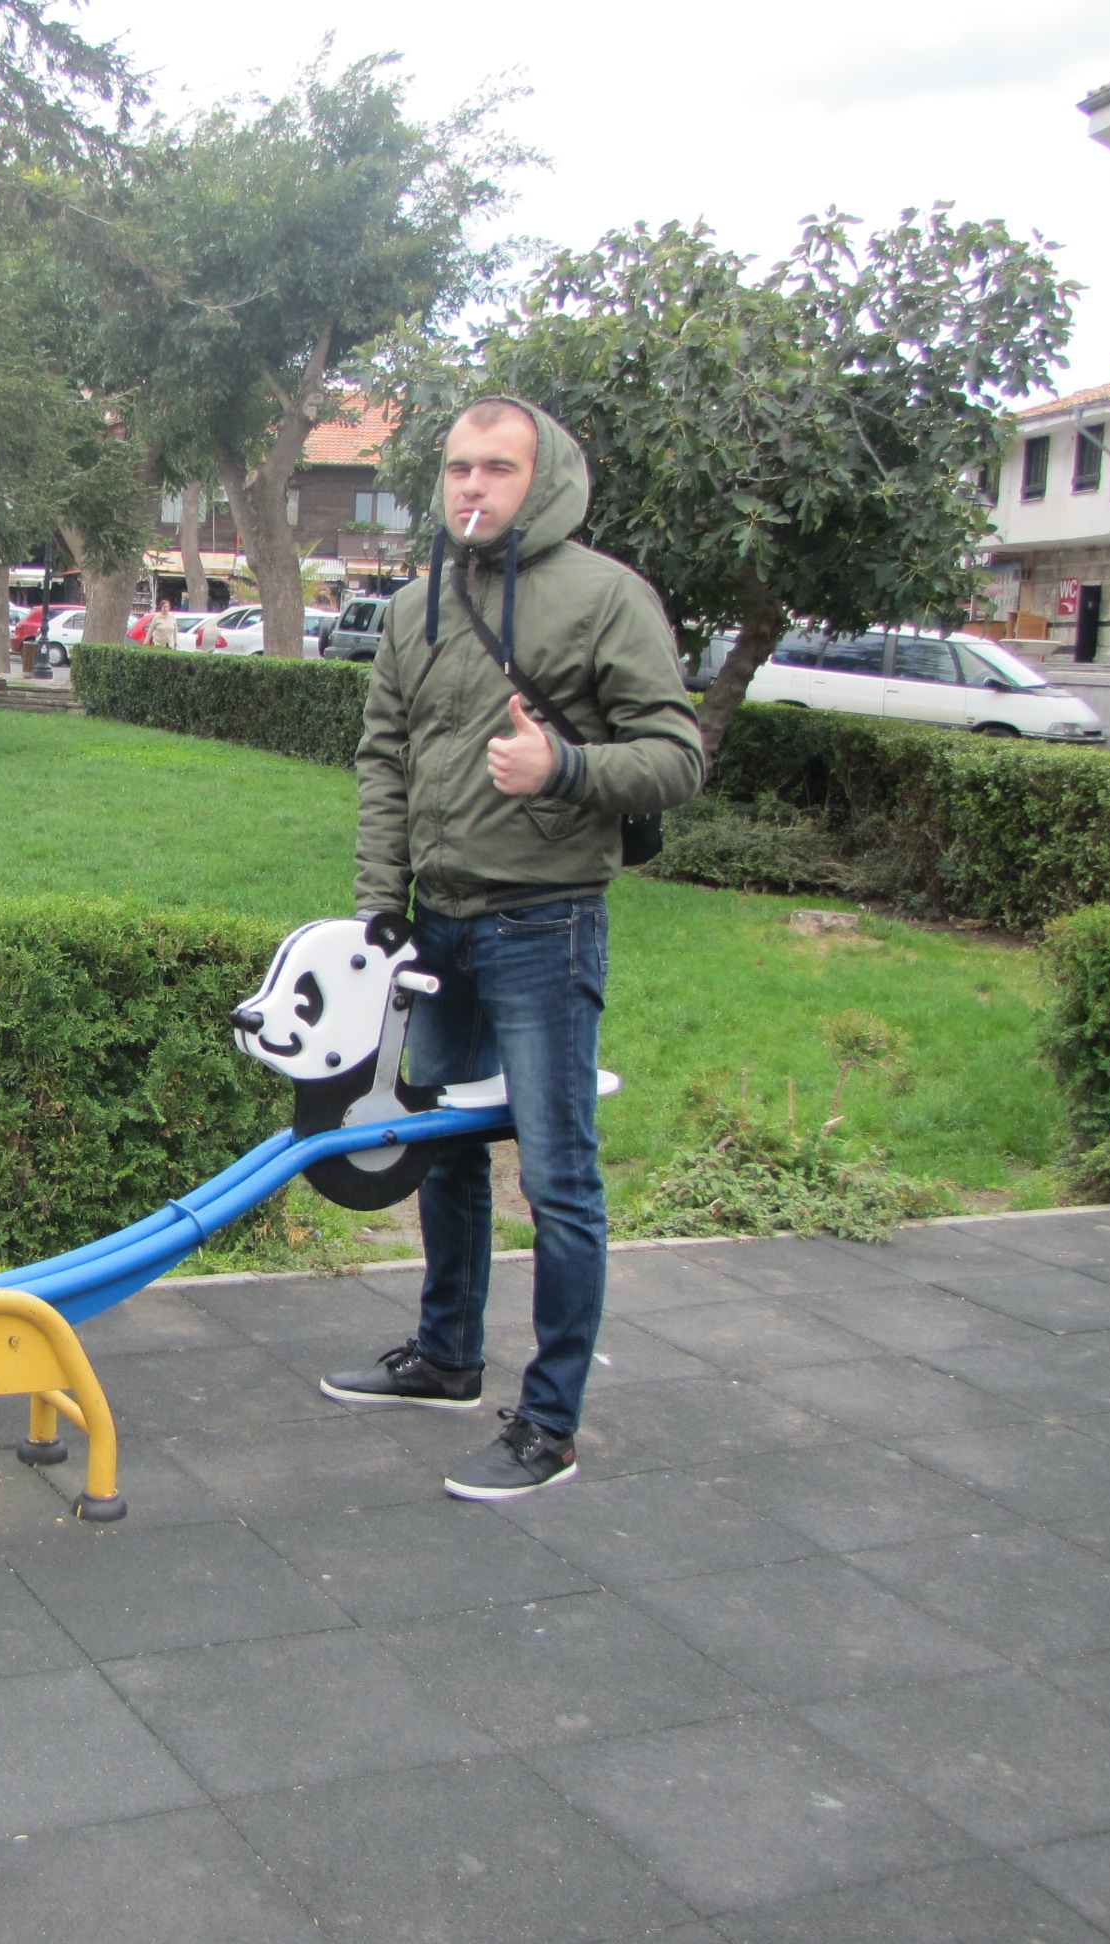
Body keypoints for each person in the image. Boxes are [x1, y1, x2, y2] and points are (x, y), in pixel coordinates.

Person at [323, 397, 705, 1499]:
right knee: (442, 1151)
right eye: (457, 468)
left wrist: (564, 770)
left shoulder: (606, 596)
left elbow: (677, 756)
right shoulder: (417, 605)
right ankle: (447, 1357)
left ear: (544, 481)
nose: (472, 486)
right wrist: (381, 904)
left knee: (557, 1175)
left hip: (547, 923)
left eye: (497, 467)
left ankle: (550, 1423)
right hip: (437, 923)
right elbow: (384, 756)